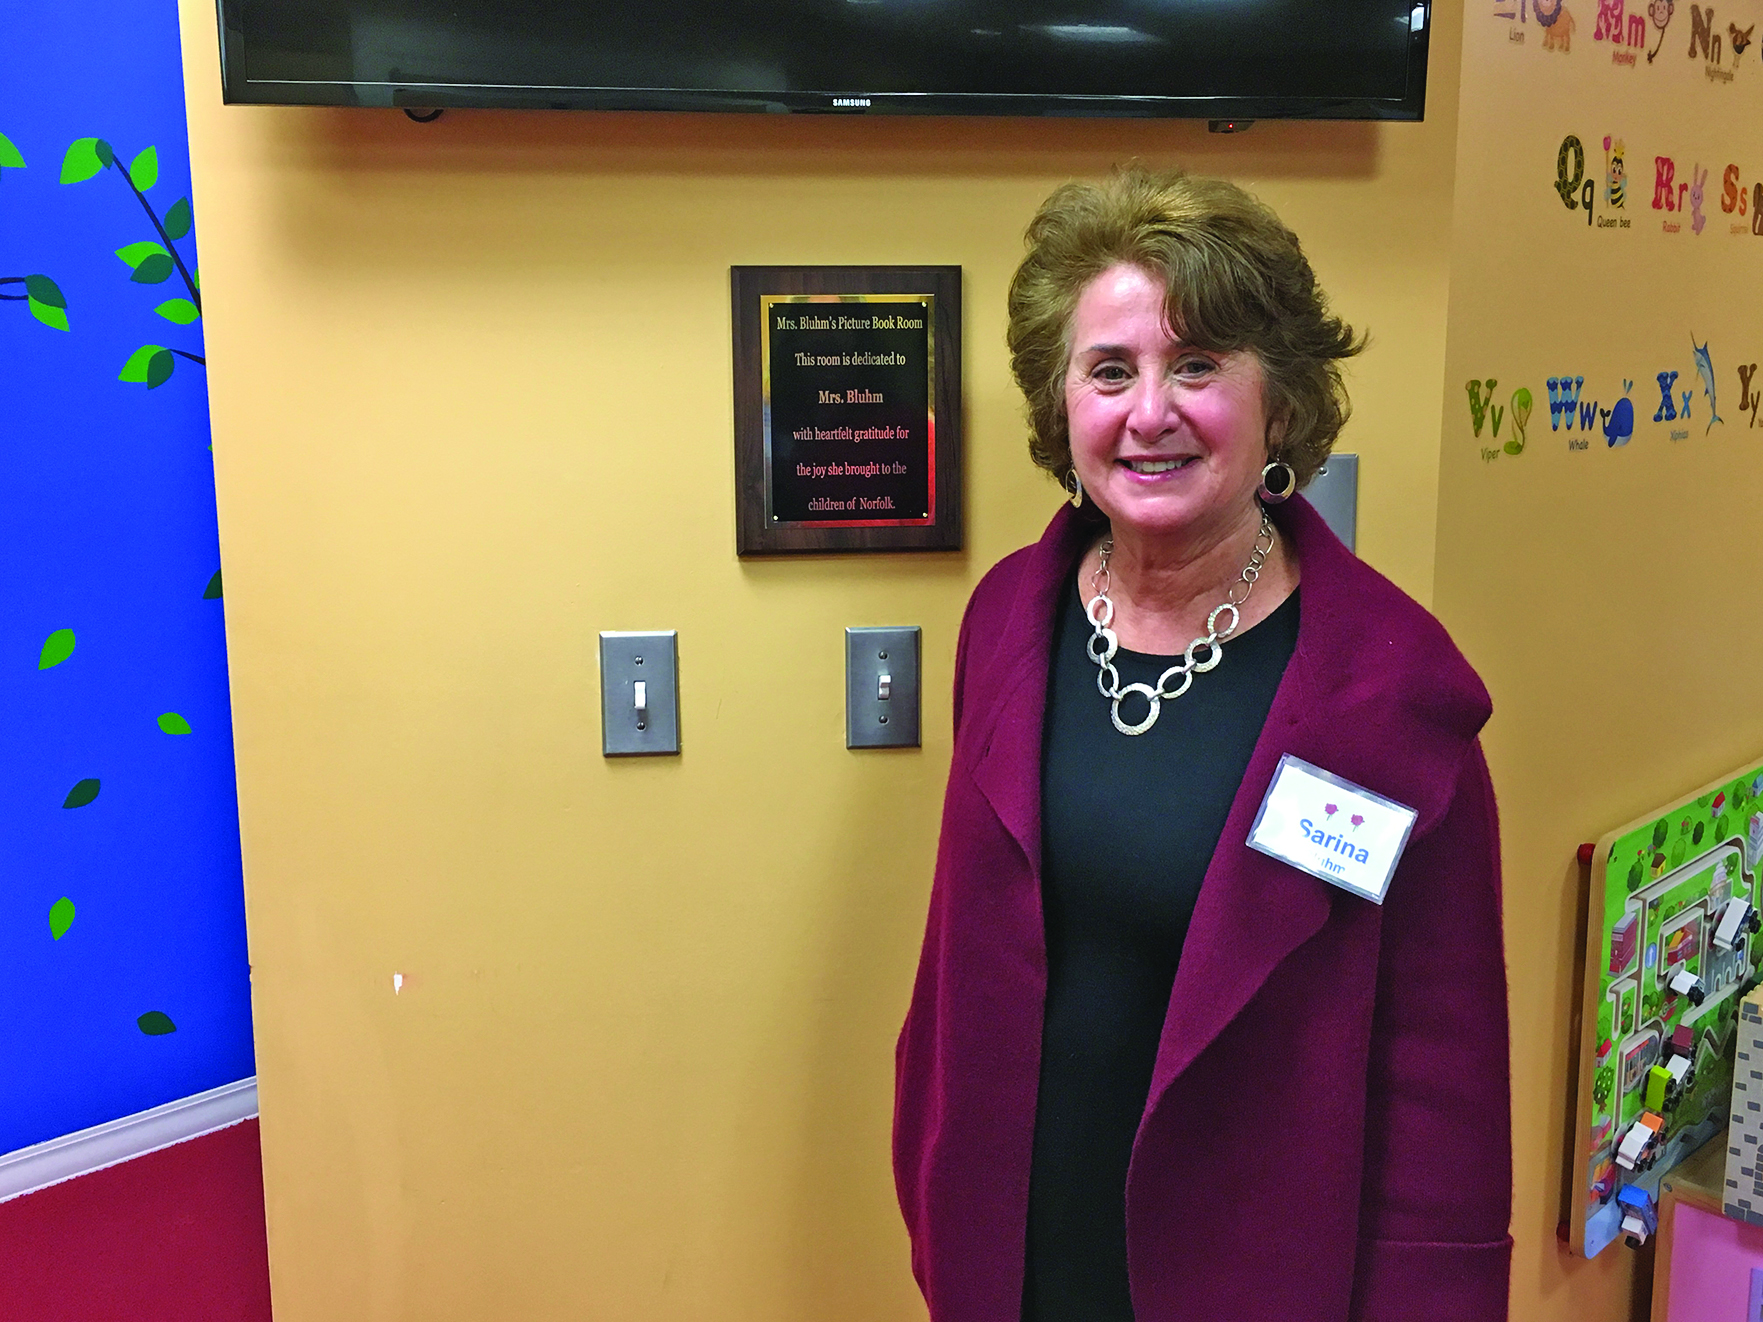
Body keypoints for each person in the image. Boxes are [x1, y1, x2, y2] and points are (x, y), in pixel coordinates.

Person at [891, 168, 1512, 1322]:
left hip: (1259, 1273)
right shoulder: (1007, 621)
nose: (1148, 411)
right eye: (1109, 369)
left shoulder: (1391, 696)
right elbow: (957, 969)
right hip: (1016, 1260)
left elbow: (1440, 1088)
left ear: (1277, 402)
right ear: (1059, 400)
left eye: (1196, 365)